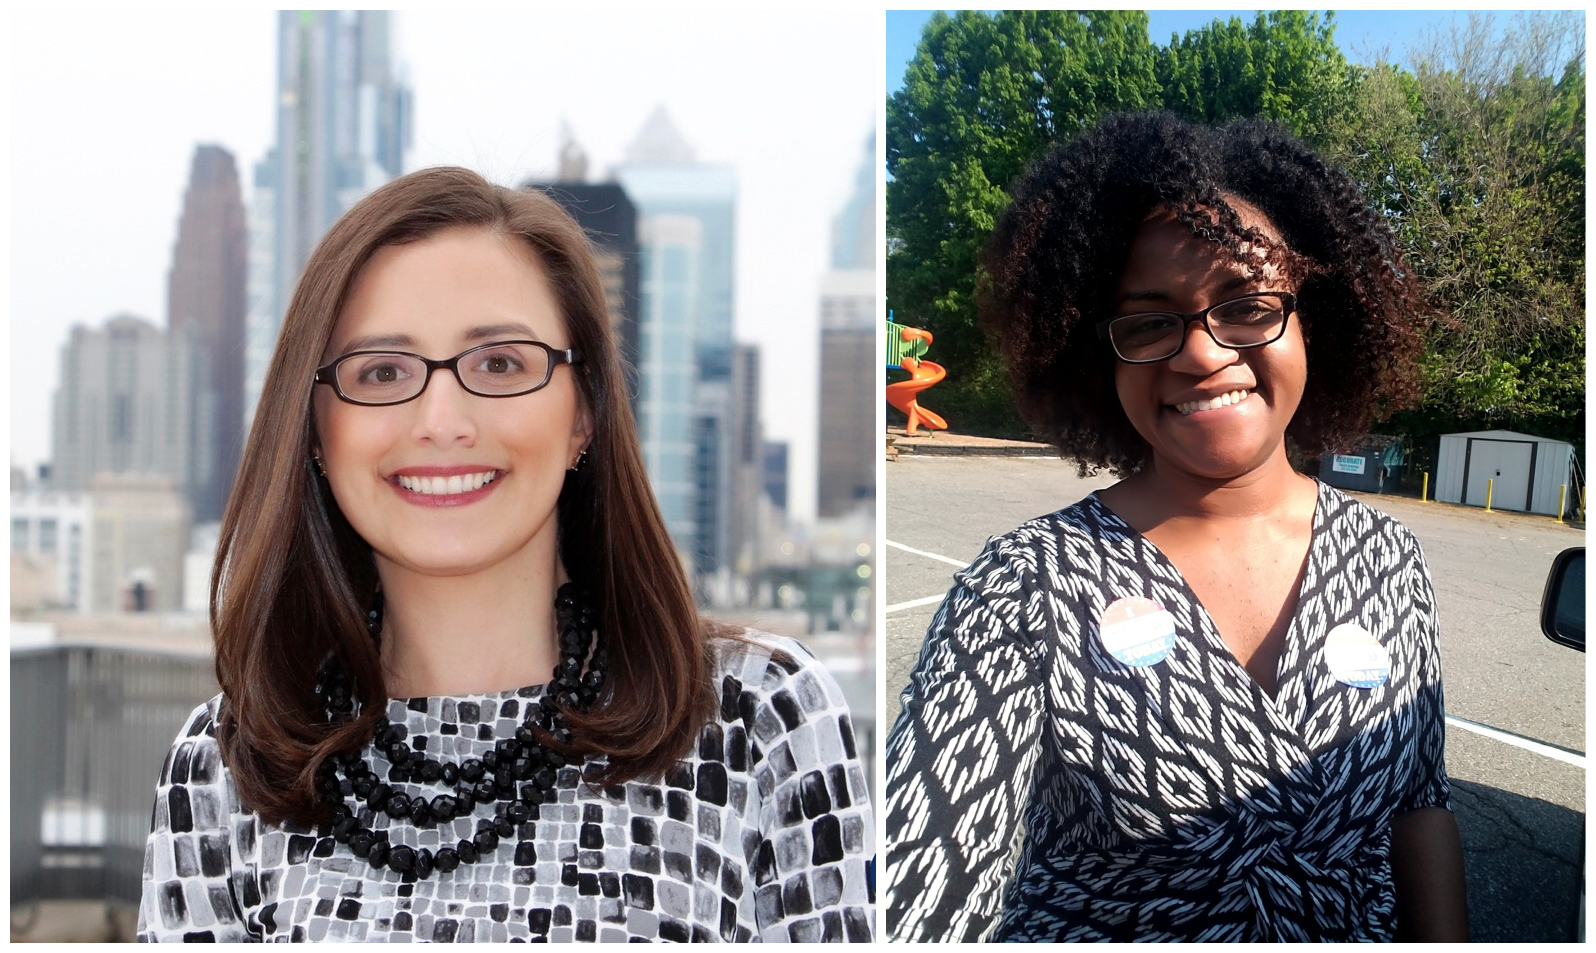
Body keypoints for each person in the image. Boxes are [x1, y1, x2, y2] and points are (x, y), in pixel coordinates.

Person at [136, 168, 873, 943]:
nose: (441, 419)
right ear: (317, 430)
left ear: (583, 410)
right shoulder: (226, 765)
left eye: (499, 363)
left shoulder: (757, 717)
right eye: (382, 372)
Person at [884, 112, 1466, 942]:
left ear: (1313, 321)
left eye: (1245, 305)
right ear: (1103, 356)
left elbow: (1420, 805)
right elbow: (926, 879)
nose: (1199, 352)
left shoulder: (1389, 559)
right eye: (1152, 321)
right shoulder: (1026, 585)